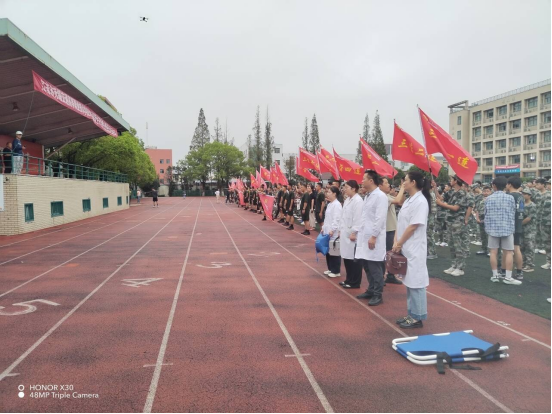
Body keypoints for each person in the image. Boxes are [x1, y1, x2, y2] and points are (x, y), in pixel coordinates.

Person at [392, 171, 431, 329]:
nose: (403, 183)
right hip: (406, 246)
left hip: (414, 247)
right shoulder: (409, 200)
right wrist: (396, 241)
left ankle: (417, 317)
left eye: (405, 180)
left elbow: (413, 226)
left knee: (416, 282)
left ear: (413, 182)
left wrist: (399, 243)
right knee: (409, 281)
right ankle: (411, 314)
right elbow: (401, 222)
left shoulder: (420, 201)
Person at [355, 170, 388, 307]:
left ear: (371, 181)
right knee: (367, 266)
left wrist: (374, 236)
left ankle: (378, 294)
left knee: (375, 267)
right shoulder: (368, 196)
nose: (362, 181)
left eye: (364, 179)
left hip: (374, 237)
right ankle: (371, 289)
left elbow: (380, 218)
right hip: (365, 236)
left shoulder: (380, 196)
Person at [485, 176, 521, 285]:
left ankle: (495, 275)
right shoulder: (510, 198)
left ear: (493, 186)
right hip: (507, 228)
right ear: (506, 185)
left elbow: (486, 213)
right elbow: (513, 212)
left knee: (493, 252)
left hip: (492, 228)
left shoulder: (488, 198)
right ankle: (508, 277)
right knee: (509, 252)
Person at [436, 176, 469, 277]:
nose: (450, 181)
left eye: (451, 180)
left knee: (458, 245)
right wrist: (434, 188)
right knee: (452, 245)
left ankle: (460, 267)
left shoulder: (462, 193)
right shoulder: (451, 192)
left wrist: (441, 204)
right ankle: (454, 265)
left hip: (457, 222)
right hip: (450, 221)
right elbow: (441, 198)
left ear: (456, 181)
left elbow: (455, 208)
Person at [379, 177, 406, 284]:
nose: (388, 185)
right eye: (386, 183)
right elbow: (398, 200)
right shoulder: (383, 197)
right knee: (386, 253)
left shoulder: (387, 196)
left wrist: (403, 191)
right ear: (380, 186)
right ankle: (382, 276)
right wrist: (402, 187)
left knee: (390, 253)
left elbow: (401, 201)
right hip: (387, 229)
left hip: (391, 228)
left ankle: (390, 274)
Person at [338, 180, 364, 289]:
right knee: (346, 258)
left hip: (353, 234)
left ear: (353, 189)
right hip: (345, 233)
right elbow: (343, 216)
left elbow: (358, 218)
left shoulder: (358, 201)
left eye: (347, 187)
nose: (344, 189)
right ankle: (348, 279)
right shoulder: (348, 200)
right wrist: (340, 229)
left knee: (354, 260)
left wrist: (354, 232)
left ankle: (355, 282)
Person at [506, 176, 525, 280]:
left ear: (510, 184)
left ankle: (505, 271)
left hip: (510, 225)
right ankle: (519, 272)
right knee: (517, 249)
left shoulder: (510, 196)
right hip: (518, 224)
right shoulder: (521, 196)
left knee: (507, 250)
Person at [322, 186, 342, 278]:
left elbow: (337, 219)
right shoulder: (330, 204)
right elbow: (327, 218)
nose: (327, 194)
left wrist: (332, 229)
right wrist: (323, 228)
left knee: (334, 251)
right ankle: (330, 268)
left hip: (333, 232)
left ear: (334, 194)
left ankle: (336, 271)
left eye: (329, 192)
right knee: (328, 251)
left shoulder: (337, 205)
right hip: (327, 231)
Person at [521, 188, 537, 273]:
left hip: (530, 230)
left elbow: (528, 218)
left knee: (529, 247)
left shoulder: (532, 205)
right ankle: (523, 263)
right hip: (522, 229)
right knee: (522, 247)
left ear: (529, 195)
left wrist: (519, 224)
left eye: (525, 194)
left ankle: (530, 265)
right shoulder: (521, 204)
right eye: (522, 193)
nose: (523, 195)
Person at [475, 186, 492, 256]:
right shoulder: (480, 199)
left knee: (489, 236)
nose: (486, 193)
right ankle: (484, 249)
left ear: (490, 192)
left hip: (489, 219)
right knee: (482, 235)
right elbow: (477, 209)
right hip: (481, 218)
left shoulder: (492, 199)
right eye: (484, 191)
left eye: (488, 191)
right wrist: (477, 218)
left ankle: (491, 250)